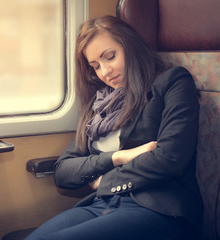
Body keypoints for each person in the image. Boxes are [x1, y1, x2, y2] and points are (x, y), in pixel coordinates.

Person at [25, 15, 203, 240]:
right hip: (103, 205)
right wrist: (117, 157)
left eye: (110, 57)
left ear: (130, 45)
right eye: (96, 66)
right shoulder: (101, 104)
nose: (105, 71)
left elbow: (170, 158)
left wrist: (105, 181)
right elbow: (63, 172)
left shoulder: (171, 81)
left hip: (159, 208)